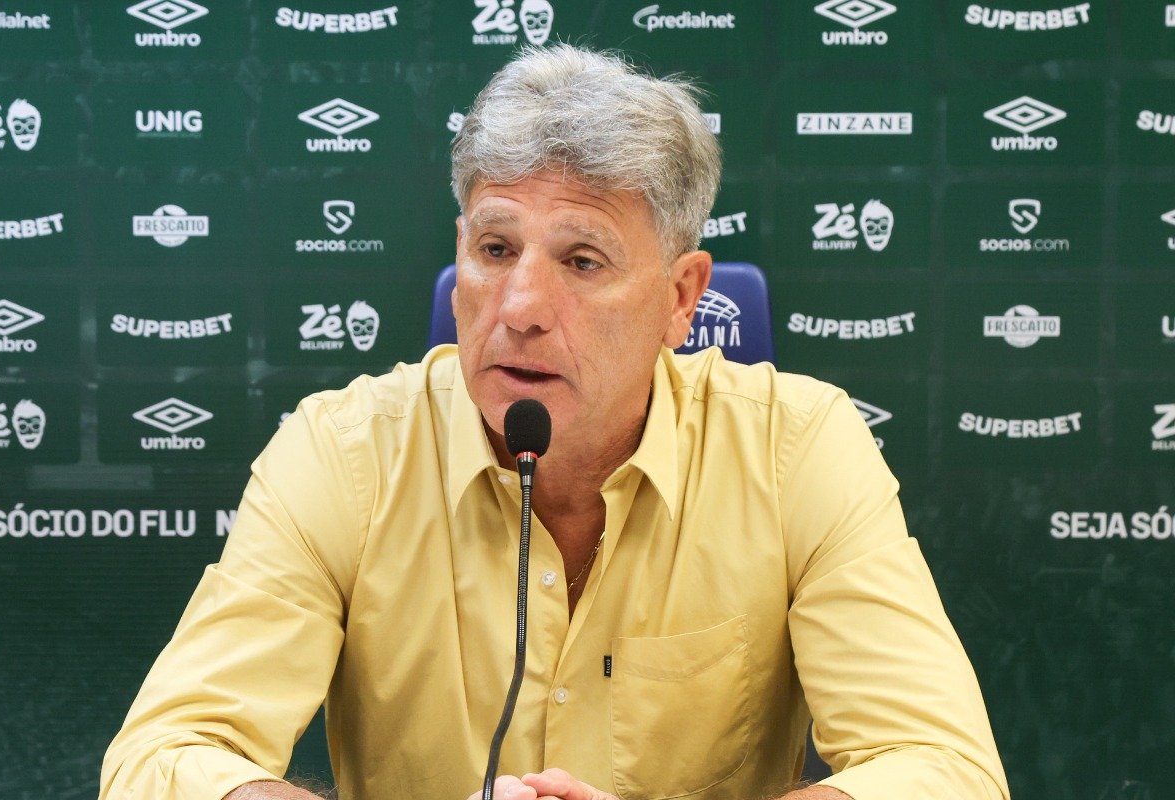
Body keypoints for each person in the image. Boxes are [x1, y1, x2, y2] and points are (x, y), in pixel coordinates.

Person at [100, 45, 1010, 800]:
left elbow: (945, 770)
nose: (521, 306)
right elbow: (162, 760)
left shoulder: (798, 447)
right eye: (495, 250)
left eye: (582, 260)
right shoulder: (344, 453)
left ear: (682, 298)